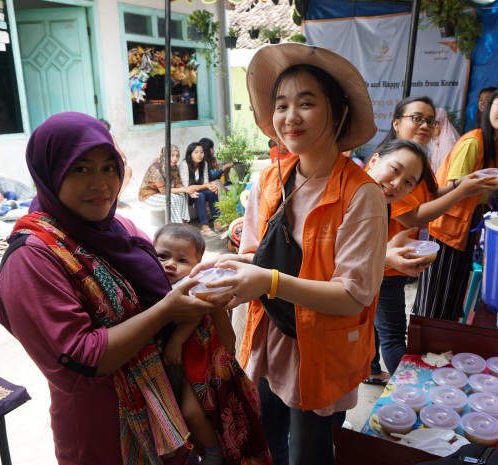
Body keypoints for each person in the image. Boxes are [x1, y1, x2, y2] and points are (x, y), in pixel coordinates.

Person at [0, 112, 232, 465]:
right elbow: (80, 358)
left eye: (109, 167)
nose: (101, 184)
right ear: (50, 172)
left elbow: (162, 294)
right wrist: (167, 311)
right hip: (104, 435)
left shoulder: (120, 228)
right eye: (81, 169)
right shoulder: (32, 259)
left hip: (166, 415)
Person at [191, 43, 387, 465]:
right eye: (281, 105)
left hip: (319, 350)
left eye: (306, 103)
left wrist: (268, 281)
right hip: (266, 337)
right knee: (267, 442)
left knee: (308, 453)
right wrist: (230, 268)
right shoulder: (270, 177)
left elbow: (354, 294)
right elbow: (256, 255)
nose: (290, 116)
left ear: (337, 112)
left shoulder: (361, 195)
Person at [365, 97, 498, 379]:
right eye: (416, 118)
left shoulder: (418, 162)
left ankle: (372, 369)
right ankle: (408, 389)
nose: (424, 125)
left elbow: (429, 195)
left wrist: (462, 183)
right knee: (392, 333)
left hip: (394, 257)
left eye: (430, 120)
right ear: (397, 122)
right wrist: (461, 192)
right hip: (385, 264)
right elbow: (413, 216)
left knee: (377, 323)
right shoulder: (384, 170)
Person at [153, 223, 272, 465]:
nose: (170, 264)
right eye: (162, 256)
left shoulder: (195, 284)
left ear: (198, 264)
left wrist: (177, 339)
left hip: (197, 362)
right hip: (174, 365)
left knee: (191, 412)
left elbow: (197, 312)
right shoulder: (152, 282)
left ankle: (213, 452)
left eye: (182, 259)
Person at [413, 84, 498, 322]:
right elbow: (456, 184)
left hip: (467, 226)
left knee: (453, 295)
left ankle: (442, 347)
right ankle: (423, 350)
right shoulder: (473, 142)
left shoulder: (495, 144)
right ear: (488, 107)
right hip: (447, 226)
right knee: (435, 299)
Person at [138, 144, 191, 223]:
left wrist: (186, 190)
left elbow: (177, 184)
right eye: (172, 155)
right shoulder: (156, 168)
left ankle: (183, 222)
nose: (175, 159)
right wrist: (185, 189)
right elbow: (164, 191)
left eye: (177, 156)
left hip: (160, 195)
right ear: (165, 155)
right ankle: (176, 226)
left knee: (182, 195)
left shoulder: (174, 167)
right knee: (172, 199)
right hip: (148, 197)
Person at [179, 142, 220, 236]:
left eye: (201, 152)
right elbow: (187, 186)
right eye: (196, 152)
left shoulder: (204, 164)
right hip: (186, 193)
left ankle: (217, 221)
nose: (199, 155)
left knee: (212, 192)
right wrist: (206, 186)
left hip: (197, 190)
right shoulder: (184, 164)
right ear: (190, 154)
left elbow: (205, 183)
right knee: (200, 195)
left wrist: (211, 187)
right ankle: (204, 225)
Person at [99, 118, 132, 201]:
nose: (102, 133)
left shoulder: (110, 138)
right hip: (96, 169)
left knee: (127, 171)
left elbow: (123, 158)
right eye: (100, 129)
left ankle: (115, 200)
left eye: (105, 131)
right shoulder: (90, 139)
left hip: (109, 167)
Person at [427, 107, 460, 173]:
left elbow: (446, 170)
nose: (429, 128)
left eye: (434, 124)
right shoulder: (435, 139)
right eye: (428, 123)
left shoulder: (448, 141)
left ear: (442, 123)